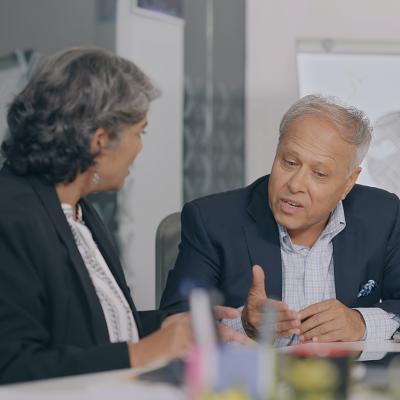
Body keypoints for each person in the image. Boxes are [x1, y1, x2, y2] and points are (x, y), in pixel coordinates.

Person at [0, 47, 245, 384]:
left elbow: (97, 331)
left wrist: (170, 326)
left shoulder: (81, 213)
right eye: (139, 132)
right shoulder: (11, 216)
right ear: (99, 141)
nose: (140, 148)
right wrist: (143, 353)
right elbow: (13, 364)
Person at [161, 95, 400, 345]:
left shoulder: (383, 214)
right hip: (247, 380)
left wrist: (360, 323)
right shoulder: (212, 220)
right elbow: (173, 322)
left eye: (319, 174)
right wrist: (243, 325)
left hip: (350, 380)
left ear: (349, 182)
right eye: (289, 162)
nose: (295, 184)